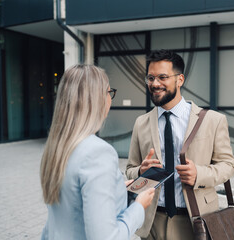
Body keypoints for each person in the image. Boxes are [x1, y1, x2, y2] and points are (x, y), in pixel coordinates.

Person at [126, 50, 234, 240]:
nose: (154, 84)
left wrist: (199, 174)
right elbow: (129, 170)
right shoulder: (141, 123)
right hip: (151, 221)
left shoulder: (212, 120)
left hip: (195, 221)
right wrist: (139, 173)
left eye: (162, 77)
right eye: (150, 78)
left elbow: (228, 165)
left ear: (180, 79)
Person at [40, 64, 155, 240]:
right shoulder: (98, 152)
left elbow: (68, 206)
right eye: (109, 92)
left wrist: (116, 188)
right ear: (97, 99)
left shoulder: (57, 147)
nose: (111, 99)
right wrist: (139, 206)